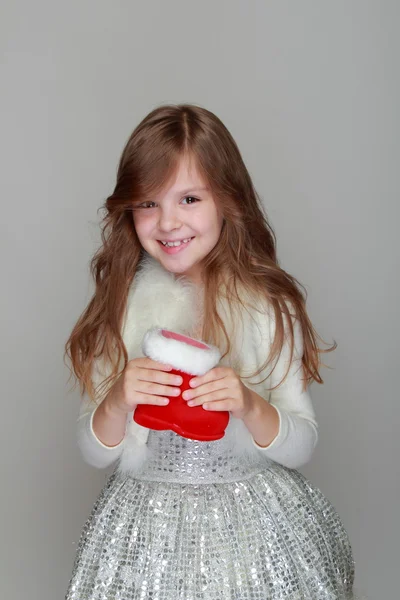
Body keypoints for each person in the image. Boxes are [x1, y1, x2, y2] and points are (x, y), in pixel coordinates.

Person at [64, 104, 361, 599]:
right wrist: (116, 401)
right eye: (147, 203)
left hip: (249, 528)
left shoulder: (267, 305)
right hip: (147, 530)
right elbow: (94, 452)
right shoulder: (123, 305)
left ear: (227, 199)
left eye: (189, 199)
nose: (167, 222)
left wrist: (249, 403)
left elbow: (302, 444)